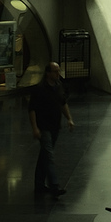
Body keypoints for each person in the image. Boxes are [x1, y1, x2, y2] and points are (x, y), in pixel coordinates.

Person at [29, 61, 74, 198]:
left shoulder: (59, 87)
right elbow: (32, 110)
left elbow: (63, 104)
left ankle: (39, 184)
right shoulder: (39, 89)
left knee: (44, 155)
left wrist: (69, 118)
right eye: (55, 71)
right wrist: (35, 128)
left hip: (55, 126)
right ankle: (54, 185)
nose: (58, 73)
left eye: (58, 71)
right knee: (49, 156)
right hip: (44, 127)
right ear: (48, 73)